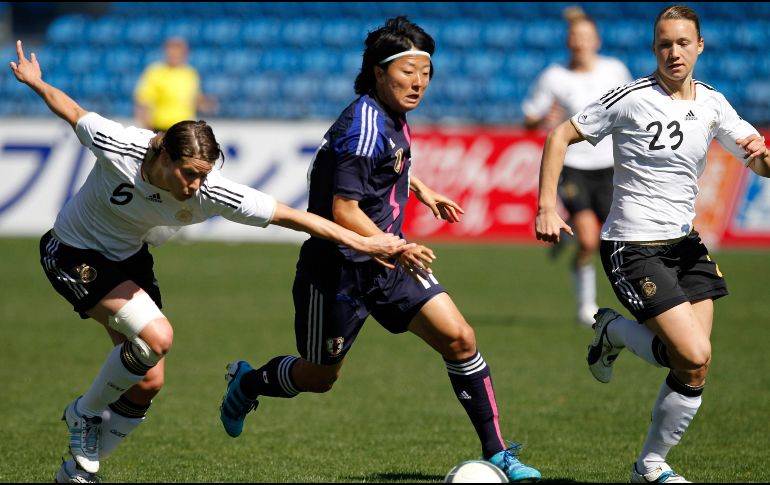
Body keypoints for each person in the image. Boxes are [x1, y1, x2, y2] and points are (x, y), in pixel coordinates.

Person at [9, 39, 411, 484]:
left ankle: (77, 473)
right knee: (158, 337)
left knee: (148, 382)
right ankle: (84, 413)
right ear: (163, 155)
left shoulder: (211, 191)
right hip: (72, 251)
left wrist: (367, 242)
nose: (196, 186)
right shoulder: (119, 145)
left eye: (204, 175)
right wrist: (36, 82)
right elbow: (71, 110)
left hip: (129, 258)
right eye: (189, 174)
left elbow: (293, 217)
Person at [217, 16, 542, 483]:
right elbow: (344, 209)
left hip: (388, 263)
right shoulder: (362, 127)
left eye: (425, 73)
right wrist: (393, 245)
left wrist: (422, 191)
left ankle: (498, 453)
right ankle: (248, 383)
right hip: (337, 271)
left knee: (460, 338)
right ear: (378, 72)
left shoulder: (391, 116)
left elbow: (390, 164)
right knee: (319, 377)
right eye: (408, 72)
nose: (418, 83)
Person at [534, 5, 770, 483]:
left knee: (694, 363)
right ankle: (617, 334)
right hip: (632, 246)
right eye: (665, 44)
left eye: (683, 43)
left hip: (685, 245)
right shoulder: (630, 97)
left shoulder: (713, 102)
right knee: (693, 353)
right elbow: (559, 135)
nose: (674, 52)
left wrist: (765, 158)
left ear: (699, 46)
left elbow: (757, 161)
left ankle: (649, 464)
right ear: (654, 48)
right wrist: (545, 206)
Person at [522, 6, 632, 327]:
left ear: (597, 40)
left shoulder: (615, 70)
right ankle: (587, 306)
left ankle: (568, 236)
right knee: (588, 241)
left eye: (586, 36)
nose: (580, 41)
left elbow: (632, 108)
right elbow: (529, 119)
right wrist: (543, 119)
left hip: (610, 166)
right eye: (575, 36)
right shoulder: (554, 76)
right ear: (568, 40)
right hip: (572, 166)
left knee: (615, 239)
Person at [134, 37, 216, 132]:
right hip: (162, 129)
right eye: (172, 50)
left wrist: (205, 103)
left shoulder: (191, 73)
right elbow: (143, 103)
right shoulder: (155, 72)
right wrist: (148, 129)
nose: (174, 54)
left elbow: (194, 100)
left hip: (185, 129)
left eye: (178, 51)